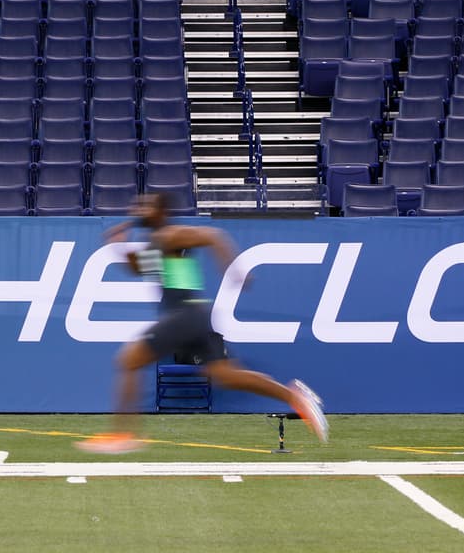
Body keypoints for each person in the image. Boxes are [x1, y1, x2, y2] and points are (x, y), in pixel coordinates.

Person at [74, 193, 328, 454]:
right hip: (194, 317)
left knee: (128, 360)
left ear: (160, 211)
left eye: (146, 205)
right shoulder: (156, 241)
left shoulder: (170, 234)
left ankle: (121, 434)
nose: (138, 209)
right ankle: (294, 396)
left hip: (184, 315)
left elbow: (213, 235)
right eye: (137, 204)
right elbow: (141, 269)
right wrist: (120, 246)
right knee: (226, 376)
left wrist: (233, 269)